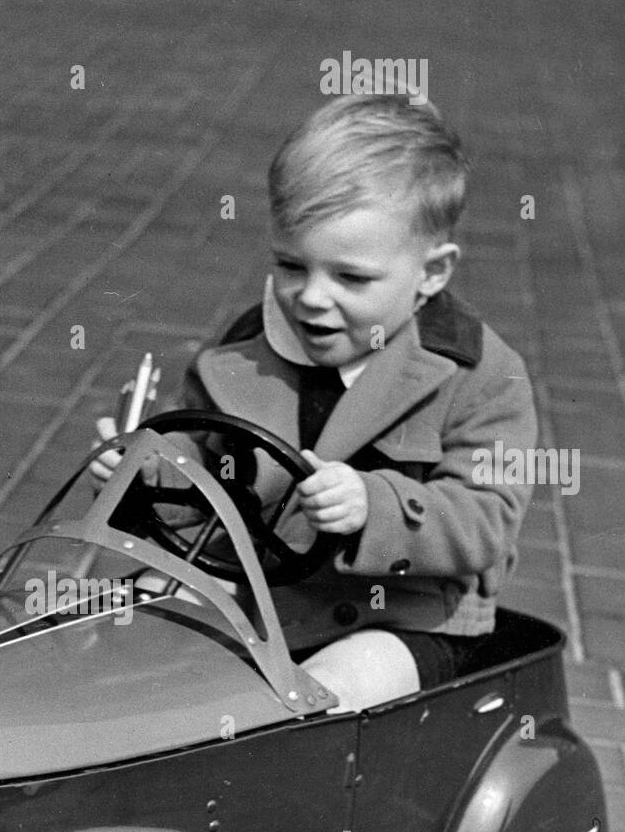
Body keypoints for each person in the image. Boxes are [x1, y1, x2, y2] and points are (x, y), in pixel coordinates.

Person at [92, 93, 538, 712]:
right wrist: (148, 472)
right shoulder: (250, 346)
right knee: (122, 630)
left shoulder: (480, 374)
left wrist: (374, 507)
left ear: (433, 273)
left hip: (402, 618)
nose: (310, 298)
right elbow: (204, 458)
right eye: (290, 266)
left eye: (351, 278)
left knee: (325, 697)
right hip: (257, 592)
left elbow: (486, 520)